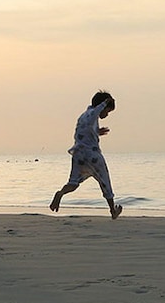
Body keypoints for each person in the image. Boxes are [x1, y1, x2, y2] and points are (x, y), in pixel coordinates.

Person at [50, 90, 123, 219]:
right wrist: (106, 101)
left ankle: (60, 193)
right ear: (103, 106)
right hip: (92, 155)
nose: (106, 114)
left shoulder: (84, 116)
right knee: (105, 180)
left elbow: (84, 130)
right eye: (107, 111)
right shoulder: (94, 113)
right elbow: (96, 112)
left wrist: (96, 132)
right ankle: (113, 210)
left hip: (78, 154)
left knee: (73, 183)